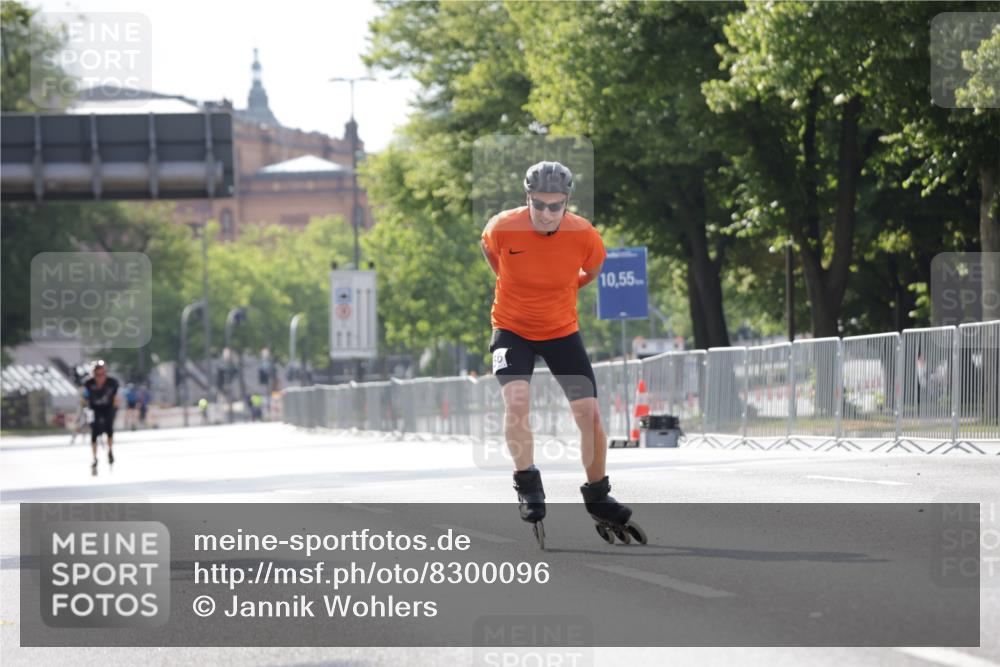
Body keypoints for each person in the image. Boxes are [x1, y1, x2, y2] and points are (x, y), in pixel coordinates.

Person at [481, 160, 643, 544]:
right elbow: (492, 256)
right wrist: (515, 286)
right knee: (517, 401)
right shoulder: (502, 227)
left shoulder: (584, 234)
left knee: (589, 414)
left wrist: (562, 290)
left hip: (561, 331)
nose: (547, 213)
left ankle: (598, 495)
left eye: (556, 206)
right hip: (512, 330)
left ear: (567, 202)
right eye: (539, 204)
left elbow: (594, 270)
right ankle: (527, 484)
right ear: (528, 198)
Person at [83, 360, 120, 474]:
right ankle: (94, 458)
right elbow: (84, 398)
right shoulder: (88, 383)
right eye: (97, 375)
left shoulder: (112, 382)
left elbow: (116, 398)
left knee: (109, 429)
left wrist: (114, 411)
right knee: (94, 431)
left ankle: (110, 451)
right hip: (94, 408)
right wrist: (86, 410)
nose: (100, 377)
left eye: (102, 374)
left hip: (108, 407)